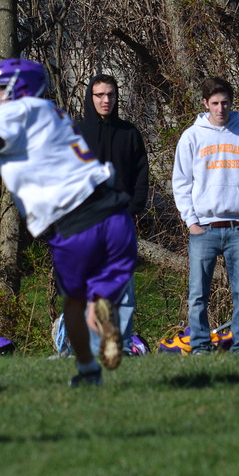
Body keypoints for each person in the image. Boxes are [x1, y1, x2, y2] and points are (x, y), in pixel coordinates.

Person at [0, 58, 137, 387]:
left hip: (73, 223)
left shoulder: (17, 112)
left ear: (20, 88)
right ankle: (104, 307)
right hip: (114, 213)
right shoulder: (49, 113)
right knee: (101, 294)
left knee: (73, 301)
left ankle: (87, 370)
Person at [171, 77, 239, 354]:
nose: (220, 108)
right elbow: (181, 181)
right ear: (205, 104)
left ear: (231, 103)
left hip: (238, 227)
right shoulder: (192, 136)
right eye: (214, 103)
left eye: (225, 102)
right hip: (204, 228)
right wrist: (191, 221)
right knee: (198, 294)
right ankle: (200, 345)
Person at [77, 74, 148, 356]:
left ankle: (124, 345)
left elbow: (141, 174)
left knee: (124, 291)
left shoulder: (129, 133)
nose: (106, 100)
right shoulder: (77, 134)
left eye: (111, 95)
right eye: (99, 95)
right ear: (90, 98)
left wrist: (132, 208)